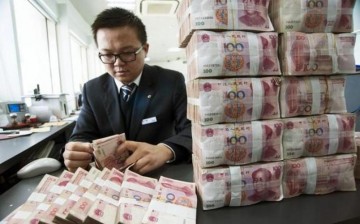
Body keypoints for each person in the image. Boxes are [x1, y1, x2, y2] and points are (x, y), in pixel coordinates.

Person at [63, 7, 192, 174]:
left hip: (161, 174)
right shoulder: (92, 89)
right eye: (108, 55)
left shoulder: (171, 81)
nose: (118, 63)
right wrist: (74, 151)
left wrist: (166, 149)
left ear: (145, 49)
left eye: (128, 53)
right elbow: (81, 135)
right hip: (112, 181)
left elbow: (192, 129)